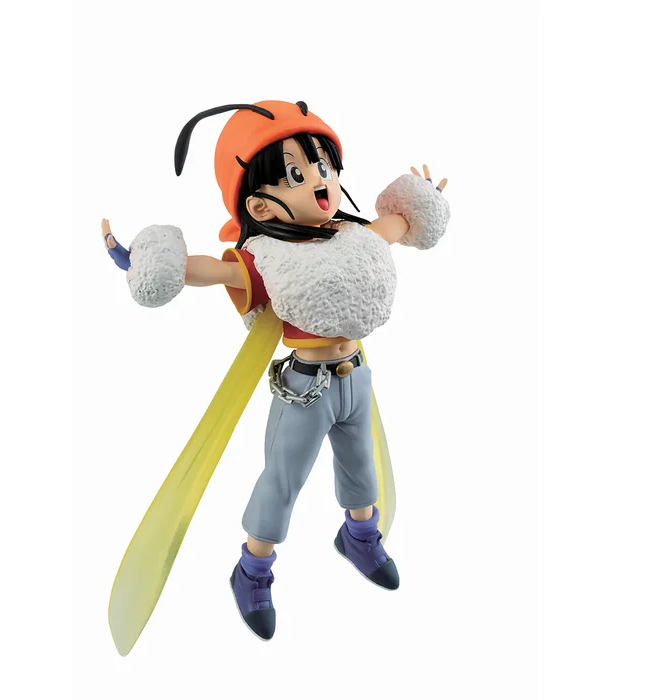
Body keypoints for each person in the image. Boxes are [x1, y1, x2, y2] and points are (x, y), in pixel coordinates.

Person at [103, 100, 450, 642]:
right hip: (305, 390)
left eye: (323, 166)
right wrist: (154, 264)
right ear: (259, 205)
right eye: (295, 174)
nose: (320, 181)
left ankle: (359, 536)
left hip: (355, 378)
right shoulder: (268, 258)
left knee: (361, 468)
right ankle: (253, 569)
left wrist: (423, 203)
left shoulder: (352, 236)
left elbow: (395, 226)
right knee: (282, 480)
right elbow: (211, 270)